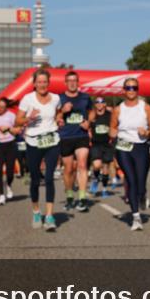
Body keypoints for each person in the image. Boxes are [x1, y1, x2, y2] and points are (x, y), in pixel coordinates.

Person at [16, 69, 63, 231]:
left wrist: (59, 119)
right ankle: (36, 211)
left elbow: (58, 114)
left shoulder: (56, 98)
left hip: (51, 140)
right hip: (33, 141)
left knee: (49, 178)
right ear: (34, 84)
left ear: (48, 83)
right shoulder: (27, 99)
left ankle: (49, 216)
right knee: (35, 179)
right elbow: (17, 120)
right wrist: (29, 118)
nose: (42, 84)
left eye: (45, 82)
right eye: (39, 82)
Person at [110, 77, 150, 231]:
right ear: (124, 91)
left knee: (141, 183)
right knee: (130, 180)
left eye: (134, 88)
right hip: (123, 147)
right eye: (128, 88)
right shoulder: (118, 109)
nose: (131, 91)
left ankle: (142, 195)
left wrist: (147, 132)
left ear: (138, 90)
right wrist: (112, 133)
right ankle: (136, 217)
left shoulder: (146, 107)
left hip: (140, 147)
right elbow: (112, 128)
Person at [58, 70, 93, 212]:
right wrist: (62, 112)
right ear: (65, 83)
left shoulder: (85, 97)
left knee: (82, 165)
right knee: (68, 169)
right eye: (69, 81)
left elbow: (92, 111)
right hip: (66, 137)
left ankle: (83, 198)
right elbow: (54, 117)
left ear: (78, 82)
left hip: (81, 136)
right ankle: (70, 196)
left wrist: (89, 122)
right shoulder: (59, 98)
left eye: (74, 80)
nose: (72, 83)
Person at [0, 97, 21, 205]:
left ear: (6, 108)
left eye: (2, 107)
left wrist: (8, 129)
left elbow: (17, 130)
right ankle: (1, 195)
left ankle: (8, 185)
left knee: (10, 172)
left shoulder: (11, 116)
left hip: (10, 145)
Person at [88, 97, 114, 197]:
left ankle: (104, 189)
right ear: (95, 104)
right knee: (97, 165)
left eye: (101, 102)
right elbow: (88, 126)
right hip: (95, 144)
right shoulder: (92, 115)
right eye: (97, 102)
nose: (99, 104)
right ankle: (95, 178)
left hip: (107, 144)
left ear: (104, 104)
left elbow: (114, 125)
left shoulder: (109, 115)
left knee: (106, 168)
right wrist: (89, 134)